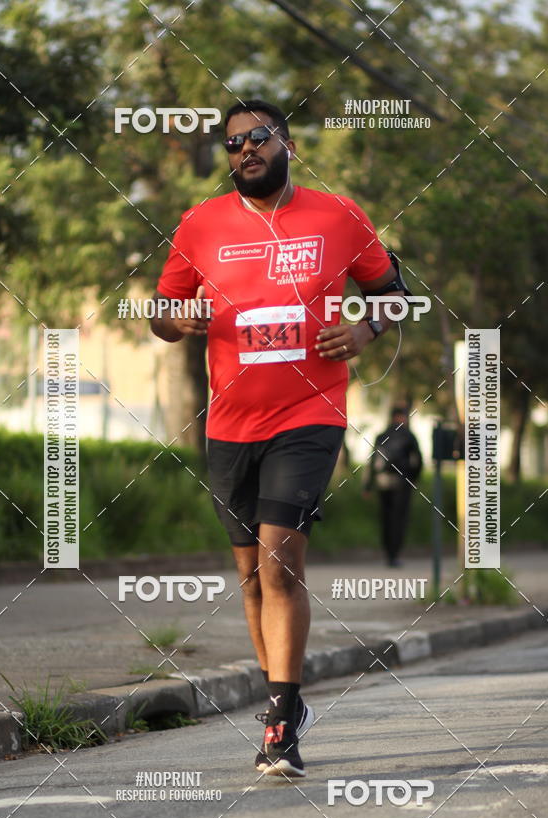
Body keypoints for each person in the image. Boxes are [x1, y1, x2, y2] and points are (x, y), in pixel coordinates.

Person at [151, 99, 405, 777]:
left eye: (257, 139)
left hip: (310, 414)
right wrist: (180, 321)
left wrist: (363, 331)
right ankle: (282, 702)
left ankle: (280, 729)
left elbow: (391, 291)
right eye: (232, 145)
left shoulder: (338, 215)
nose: (244, 152)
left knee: (278, 561)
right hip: (230, 424)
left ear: (287, 144)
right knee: (250, 577)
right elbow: (160, 310)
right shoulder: (199, 225)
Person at [365, 406, 422, 567]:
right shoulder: (409, 436)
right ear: (401, 417)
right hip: (402, 484)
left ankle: (388, 552)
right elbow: (418, 460)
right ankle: (394, 555)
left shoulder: (381, 436)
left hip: (382, 483)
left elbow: (372, 462)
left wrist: (368, 486)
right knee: (399, 519)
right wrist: (414, 479)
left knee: (386, 518)